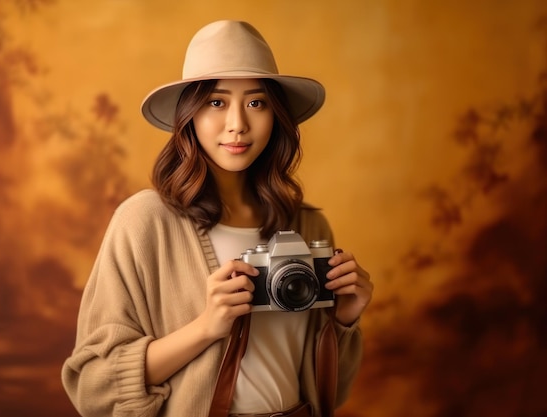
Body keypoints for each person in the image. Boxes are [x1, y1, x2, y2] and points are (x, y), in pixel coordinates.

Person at [61, 20, 373, 417]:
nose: (238, 124)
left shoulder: (308, 227)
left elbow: (332, 390)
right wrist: (206, 327)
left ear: (276, 115)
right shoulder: (144, 223)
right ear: (188, 115)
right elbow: (92, 387)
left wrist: (343, 320)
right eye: (216, 102)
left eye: (257, 103)